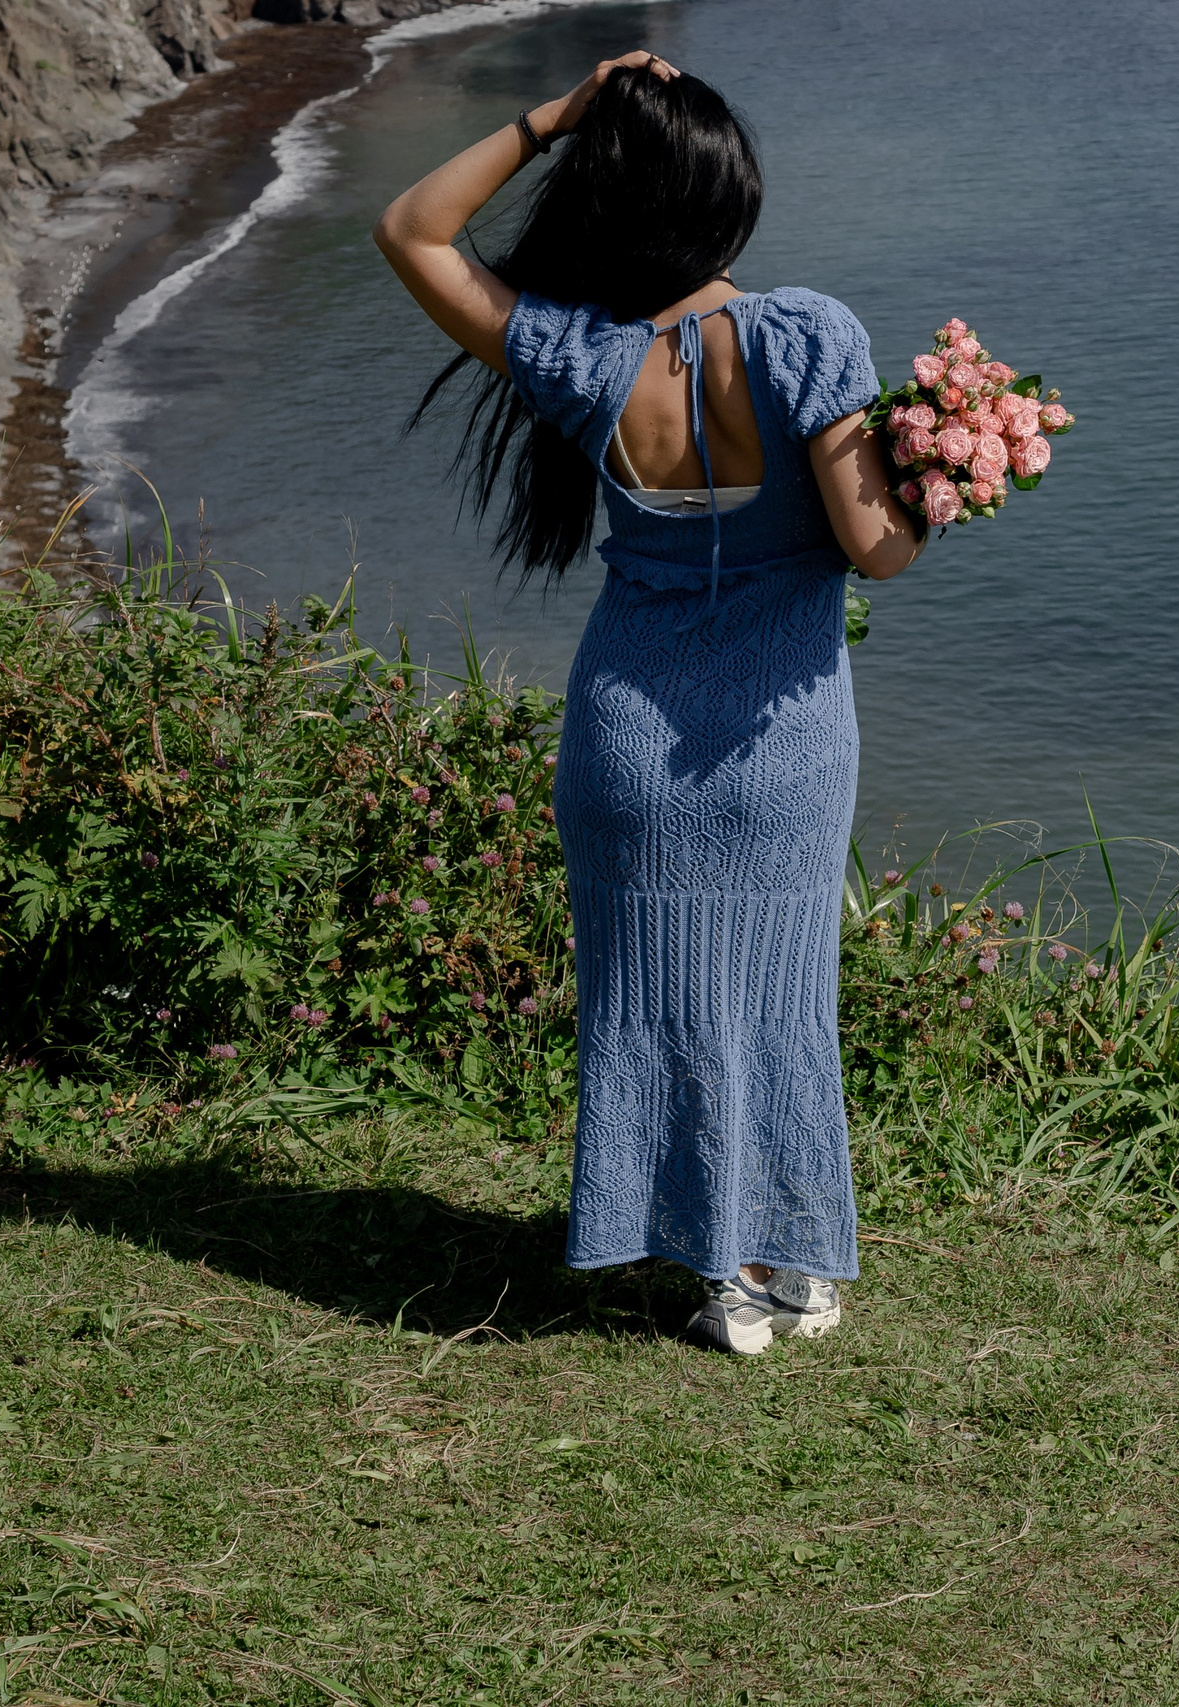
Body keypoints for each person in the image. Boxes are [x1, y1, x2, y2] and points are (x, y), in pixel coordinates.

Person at [375, 51, 924, 1354]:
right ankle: (795, 1269)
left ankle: (718, 1281)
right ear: (723, 203)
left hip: (627, 743)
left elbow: (411, 229)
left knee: (656, 1003)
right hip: (783, 743)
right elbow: (877, 549)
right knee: (785, 999)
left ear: (618, 209)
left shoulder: (582, 357)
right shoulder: (811, 335)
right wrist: (942, 477)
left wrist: (553, 117)